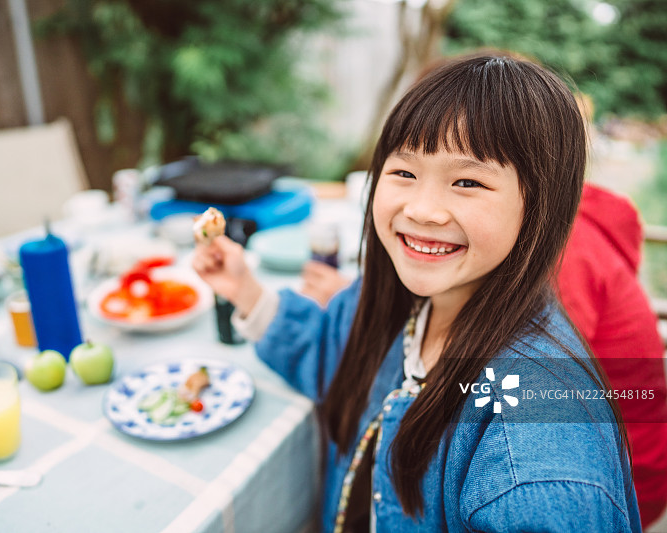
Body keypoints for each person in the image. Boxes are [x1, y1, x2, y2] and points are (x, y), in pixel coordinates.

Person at [194, 53, 641, 531]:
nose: (423, 210)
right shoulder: (405, 300)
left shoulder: (535, 441)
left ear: (539, 208)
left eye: (467, 181)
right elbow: (332, 354)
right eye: (404, 173)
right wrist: (245, 291)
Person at [557, 183, 667, 530]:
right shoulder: (581, 228)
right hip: (636, 457)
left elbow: (546, 377)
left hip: (623, 476)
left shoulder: (568, 246)